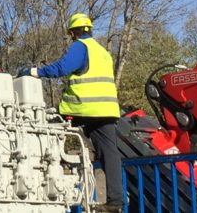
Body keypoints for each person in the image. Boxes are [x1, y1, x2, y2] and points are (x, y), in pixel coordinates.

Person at [17, 13, 122, 212]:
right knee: (110, 155)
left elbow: (62, 68)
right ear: (89, 29)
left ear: (74, 33)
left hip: (83, 109)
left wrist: (34, 72)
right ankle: (116, 203)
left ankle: (41, 179)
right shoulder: (103, 52)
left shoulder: (81, 47)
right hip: (107, 110)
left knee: (45, 131)